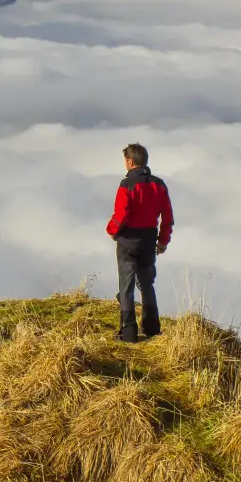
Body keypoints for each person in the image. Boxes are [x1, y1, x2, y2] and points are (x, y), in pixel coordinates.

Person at [106, 143, 173, 342]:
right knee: (146, 284)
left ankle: (128, 333)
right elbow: (167, 217)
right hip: (148, 241)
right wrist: (163, 240)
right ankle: (152, 328)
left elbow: (121, 213)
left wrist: (111, 230)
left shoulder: (126, 185)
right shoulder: (159, 184)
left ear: (129, 161)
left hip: (127, 241)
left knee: (126, 286)